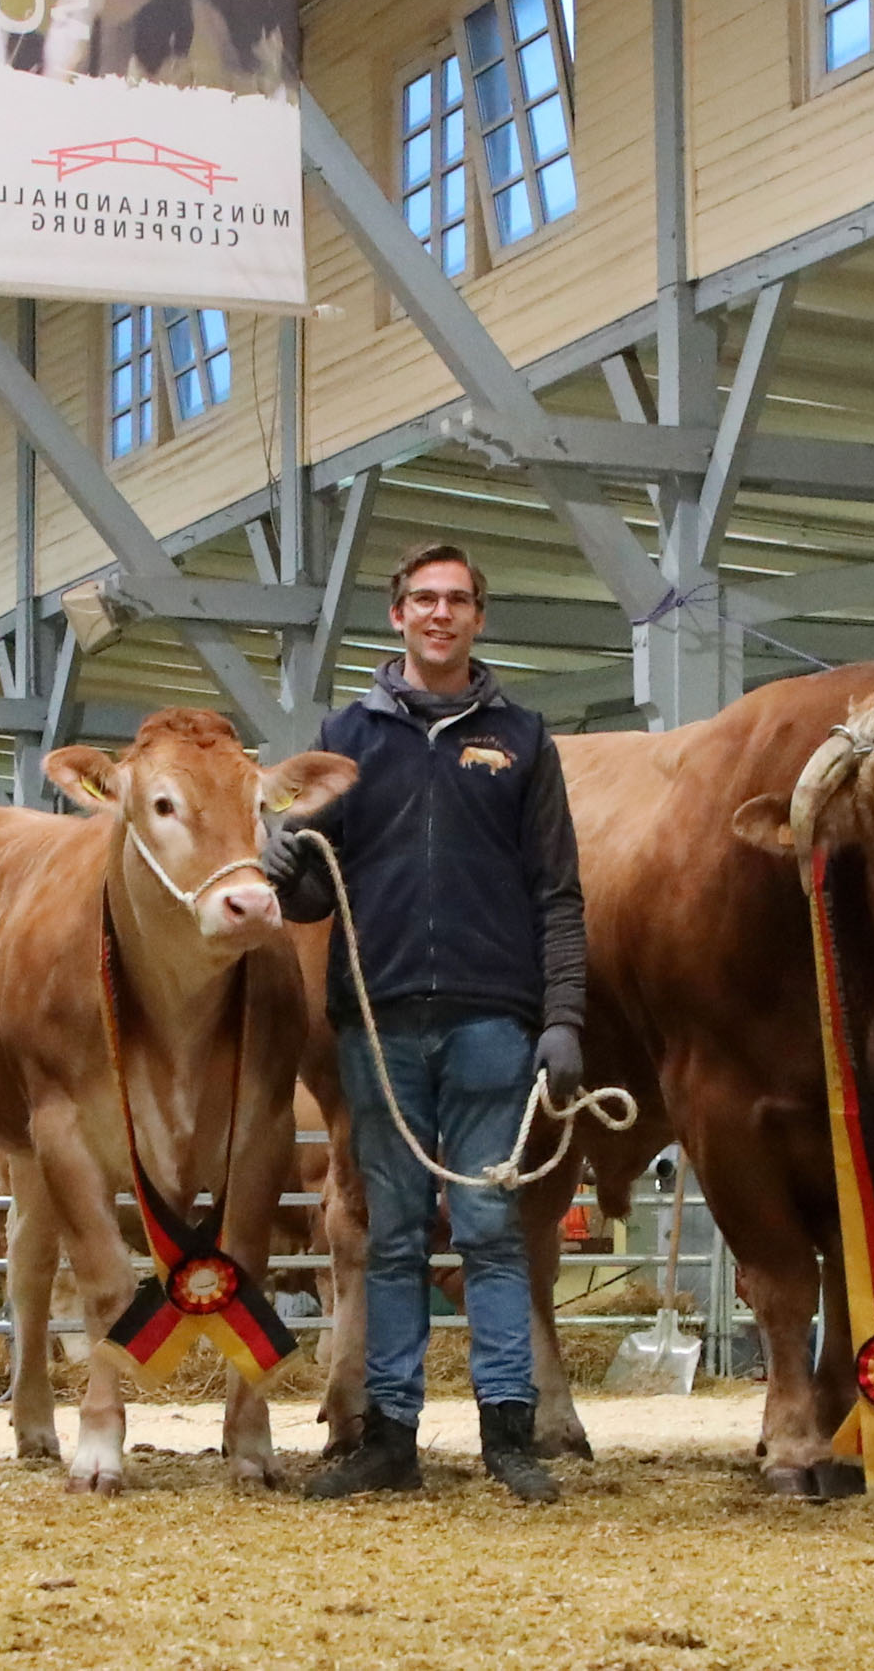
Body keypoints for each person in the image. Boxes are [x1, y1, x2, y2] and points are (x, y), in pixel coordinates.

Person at [273, 542, 590, 1505]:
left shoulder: (523, 740)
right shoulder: (347, 740)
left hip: (496, 1019)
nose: (441, 613)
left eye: (458, 599)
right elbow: (310, 897)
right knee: (395, 1229)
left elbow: (560, 893)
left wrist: (563, 1016)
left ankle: (508, 1431)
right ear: (398, 615)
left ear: (479, 618)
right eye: (424, 598)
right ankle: (390, 1438)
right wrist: (284, 861)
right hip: (379, 1019)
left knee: (492, 1224)